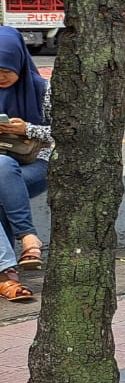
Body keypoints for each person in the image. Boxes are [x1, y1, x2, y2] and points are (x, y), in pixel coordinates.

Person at [0, 26, 51, 271]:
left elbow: (65, 133)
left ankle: (7, 270)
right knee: (3, 166)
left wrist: (27, 130)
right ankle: (28, 242)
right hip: (3, 164)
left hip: (37, 162)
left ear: (18, 61)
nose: (0, 77)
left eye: (5, 70)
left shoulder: (42, 89)